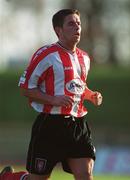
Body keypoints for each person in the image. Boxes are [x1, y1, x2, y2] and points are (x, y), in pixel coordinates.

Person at [18, 9, 102, 180]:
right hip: (50, 125)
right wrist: (53, 99)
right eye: (71, 24)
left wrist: (90, 95)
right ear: (58, 30)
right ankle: (11, 178)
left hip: (77, 125)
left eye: (78, 23)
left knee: (85, 175)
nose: (77, 27)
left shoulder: (84, 58)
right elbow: (26, 88)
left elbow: (77, 87)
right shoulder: (46, 55)